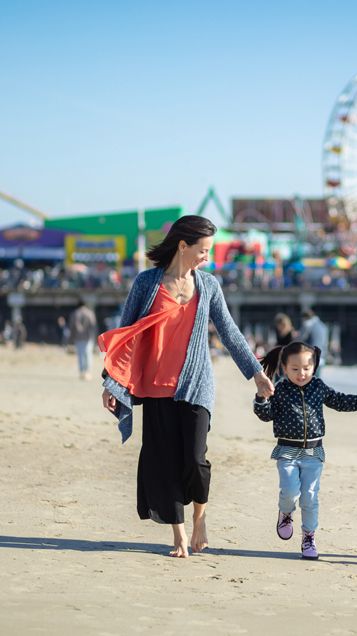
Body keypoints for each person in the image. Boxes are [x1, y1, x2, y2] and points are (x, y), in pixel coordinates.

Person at [99, 215, 275, 559]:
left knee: (195, 460)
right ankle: (179, 536)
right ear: (183, 245)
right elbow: (125, 334)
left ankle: (200, 519)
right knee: (164, 462)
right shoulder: (147, 282)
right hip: (155, 387)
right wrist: (112, 382)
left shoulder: (208, 285)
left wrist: (256, 372)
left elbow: (229, 332)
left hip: (196, 386)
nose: (206, 258)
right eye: (203, 250)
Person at [253, 342, 357, 560]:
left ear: (314, 366)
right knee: (289, 492)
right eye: (295, 369)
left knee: (310, 498)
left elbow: (340, 401)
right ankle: (285, 512)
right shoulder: (280, 390)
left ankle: (309, 538)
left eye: (307, 368)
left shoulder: (319, 387)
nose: (301, 373)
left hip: (313, 454)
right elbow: (266, 415)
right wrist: (261, 398)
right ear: (284, 368)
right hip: (287, 451)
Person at [69, 300, 98, 380]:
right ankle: (88, 372)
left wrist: (70, 339)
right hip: (88, 337)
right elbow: (94, 326)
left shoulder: (74, 314)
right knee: (88, 354)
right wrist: (96, 338)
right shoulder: (90, 313)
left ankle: (82, 372)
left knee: (80, 355)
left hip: (78, 337)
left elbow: (71, 328)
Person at [298, 310, 328, 374]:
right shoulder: (323, 325)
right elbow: (325, 342)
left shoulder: (307, 325)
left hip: (310, 356)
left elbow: (300, 340)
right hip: (321, 355)